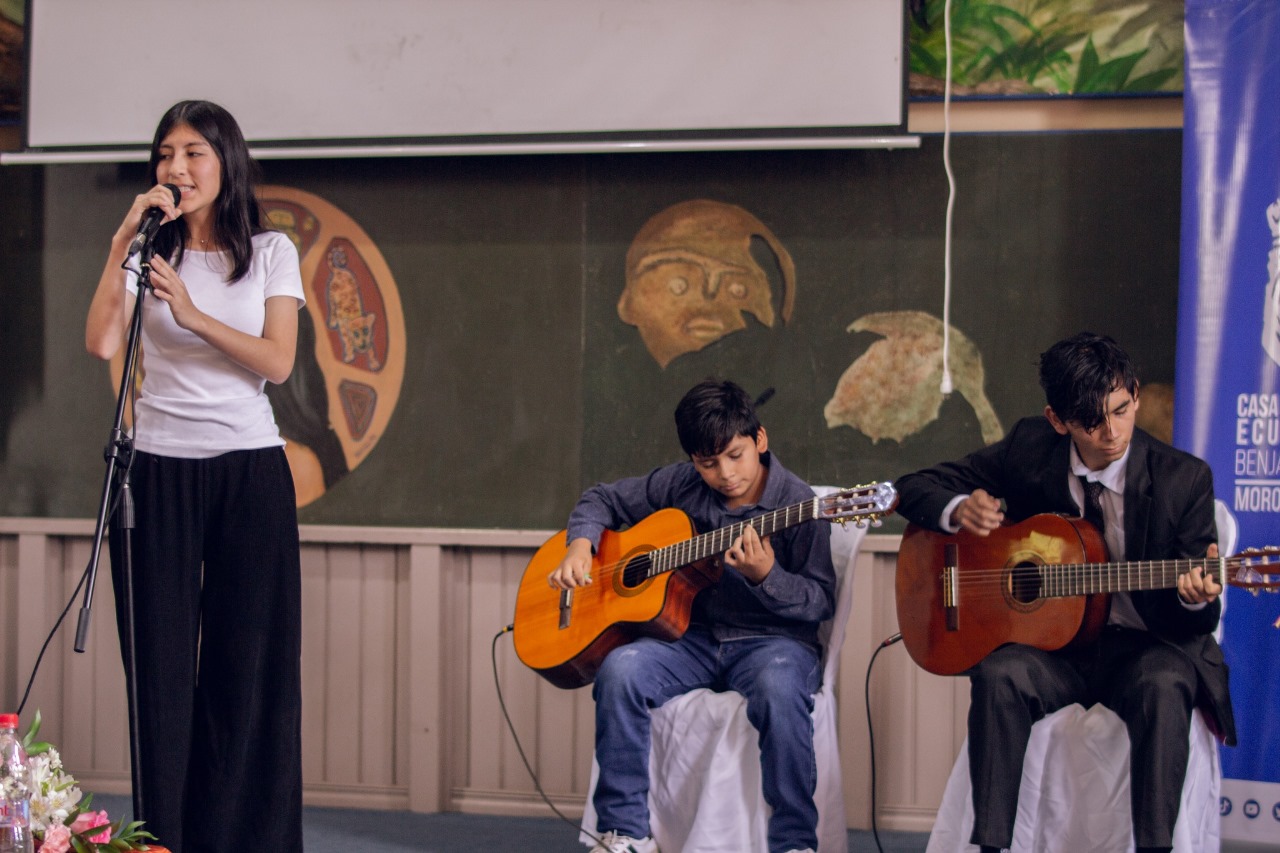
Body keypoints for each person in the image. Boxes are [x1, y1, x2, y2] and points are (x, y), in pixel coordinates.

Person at [894, 332, 1235, 853]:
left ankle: (1156, 847)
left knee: (1167, 684)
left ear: (1135, 393)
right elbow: (913, 486)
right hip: (1055, 650)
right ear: (1058, 421)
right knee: (999, 675)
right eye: (1092, 423)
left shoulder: (1183, 481)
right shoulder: (1031, 448)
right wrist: (959, 508)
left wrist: (1194, 596)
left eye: (1121, 410)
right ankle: (990, 845)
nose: (1113, 432)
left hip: (1144, 648)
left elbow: (1194, 624)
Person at [84, 100, 304, 853]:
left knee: (248, 670)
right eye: (165, 155)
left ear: (226, 162)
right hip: (155, 475)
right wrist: (125, 240)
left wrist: (192, 311)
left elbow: (276, 360)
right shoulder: (146, 250)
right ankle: (163, 840)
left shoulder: (272, 251)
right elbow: (101, 339)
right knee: (160, 675)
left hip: (249, 473)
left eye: (194, 154)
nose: (176, 169)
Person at [549, 378, 835, 853]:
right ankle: (624, 833)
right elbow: (602, 498)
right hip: (690, 637)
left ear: (760, 440)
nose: (725, 474)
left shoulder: (800, 505)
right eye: (708, 463)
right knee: (620, 671)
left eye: (735, 455)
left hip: (772, 644)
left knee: (780, 689)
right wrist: (580, 544)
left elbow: (818, 601)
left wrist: (768, 575)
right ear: (693, 461)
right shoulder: (680, 485)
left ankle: (794, 842)